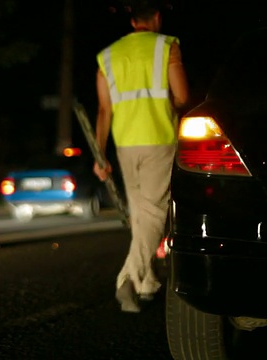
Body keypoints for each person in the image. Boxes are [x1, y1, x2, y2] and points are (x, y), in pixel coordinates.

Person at [92, 0, 189, 312]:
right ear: (157, 17)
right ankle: (129, 279)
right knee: (153, 213)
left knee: (140, 213)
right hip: (158, 138)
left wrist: (99, 154)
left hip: (125, 143)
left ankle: (147, 284)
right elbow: (183, 96)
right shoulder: (167, 47)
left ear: (133, 22)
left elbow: (104, 110)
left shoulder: (108, 56)